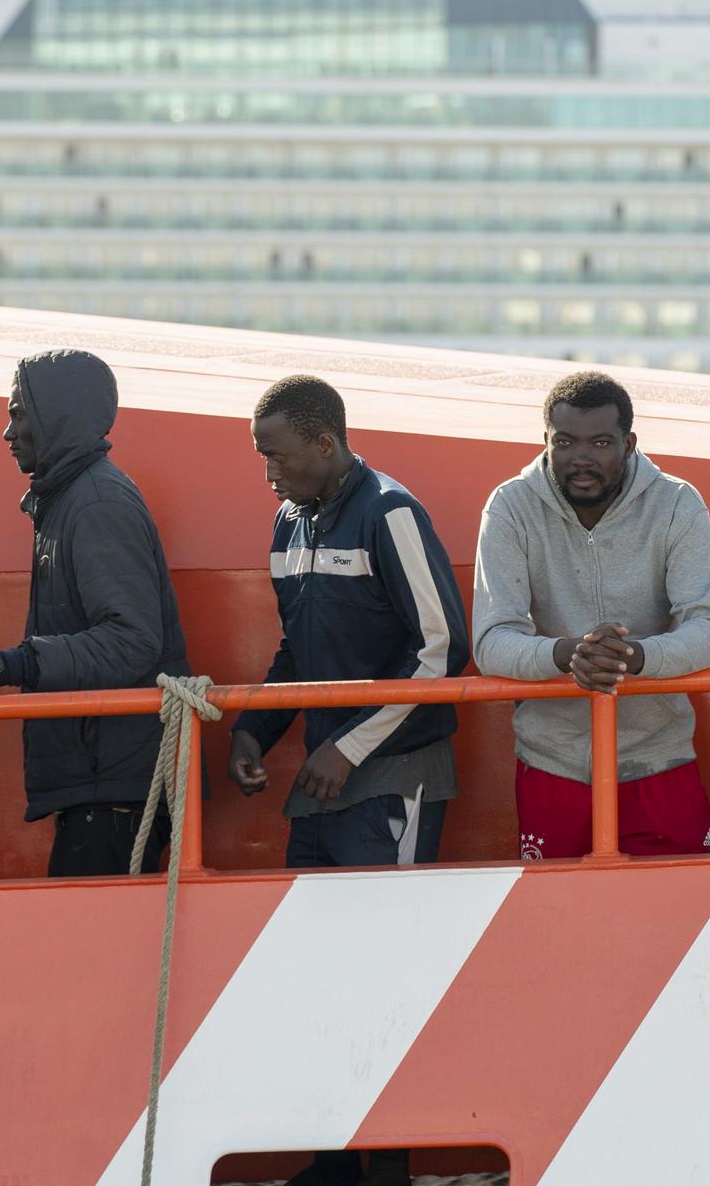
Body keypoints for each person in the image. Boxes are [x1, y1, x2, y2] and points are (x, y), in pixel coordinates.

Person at [229, 375, 468, 1186]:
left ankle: (385, 1167)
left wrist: (350, 747)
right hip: (326, 783)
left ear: (324, 444)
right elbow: (295, 654)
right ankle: (340, 1160)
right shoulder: (286, 523)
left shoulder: (391, 511)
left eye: (276, 455)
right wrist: (255, 732)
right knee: (324, 974)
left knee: (384, 975)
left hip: (391, 776)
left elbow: (441, 649)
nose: (268, 474)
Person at [0, 349, 190, 877]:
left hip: (115, 785)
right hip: (107, 779)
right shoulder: (73, 496)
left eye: (16, 413)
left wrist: (14, 664)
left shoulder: (97, 503)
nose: (8, 433)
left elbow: (131, 640)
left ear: (54, 415)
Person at [472, 371, 710, 859]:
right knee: (554, 924)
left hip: (659, 760)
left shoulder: (677, 502)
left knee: (674, 917)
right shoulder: (510, 505)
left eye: (600, 442)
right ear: (545, 440)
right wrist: (567, 654)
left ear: (629, 443)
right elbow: (491, 640)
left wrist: (633, 657)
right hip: (553, 764)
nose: (581, 459)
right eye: (565, 442)